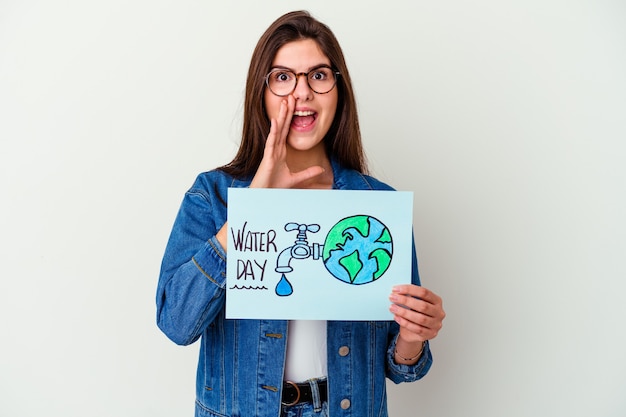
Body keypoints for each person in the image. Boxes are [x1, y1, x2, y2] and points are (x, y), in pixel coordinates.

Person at [156, 10, 445, 417]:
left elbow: (399, 363)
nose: (302, 93)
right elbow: (176, 322)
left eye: (319, 76)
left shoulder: (378, 208)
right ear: (262, 91)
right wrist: (252, 208)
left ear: (339, 90)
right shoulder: (213, 196)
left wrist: (414, 337)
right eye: (283, 77)